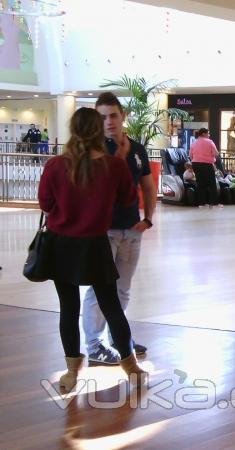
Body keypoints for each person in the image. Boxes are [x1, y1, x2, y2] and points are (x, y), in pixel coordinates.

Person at [38, 107, 147, 393]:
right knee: (111, 306)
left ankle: (72, 373)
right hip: (96, 245)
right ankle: (131, 368)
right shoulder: (113, 166)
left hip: (62, 246)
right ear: (98, 131)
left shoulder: (55, 165)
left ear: (73, 130)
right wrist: (121, 160)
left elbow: (46, 204)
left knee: (68, 308)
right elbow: (127, 200)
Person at [82, 92, 156, 365]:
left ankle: (118, 336)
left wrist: (147, 218)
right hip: (104, 231)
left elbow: (147, 186)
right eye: (102, 117)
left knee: (123, 289)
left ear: (123, 115)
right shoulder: (94, 150)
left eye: (113, 115)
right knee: (99, 289)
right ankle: (93, 343)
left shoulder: (137, 149)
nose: (109, 122)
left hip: (131, 229)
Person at [190, 128, 221, 208]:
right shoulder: (209, 142)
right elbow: (216, 154)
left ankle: (201, 203)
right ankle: (213, 203)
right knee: (212, 184)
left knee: (200, 184)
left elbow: (191, 155)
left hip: (195, 164)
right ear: (204, 134)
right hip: (207, 165)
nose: (209, 135)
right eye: (208, 133)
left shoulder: (194, 143)